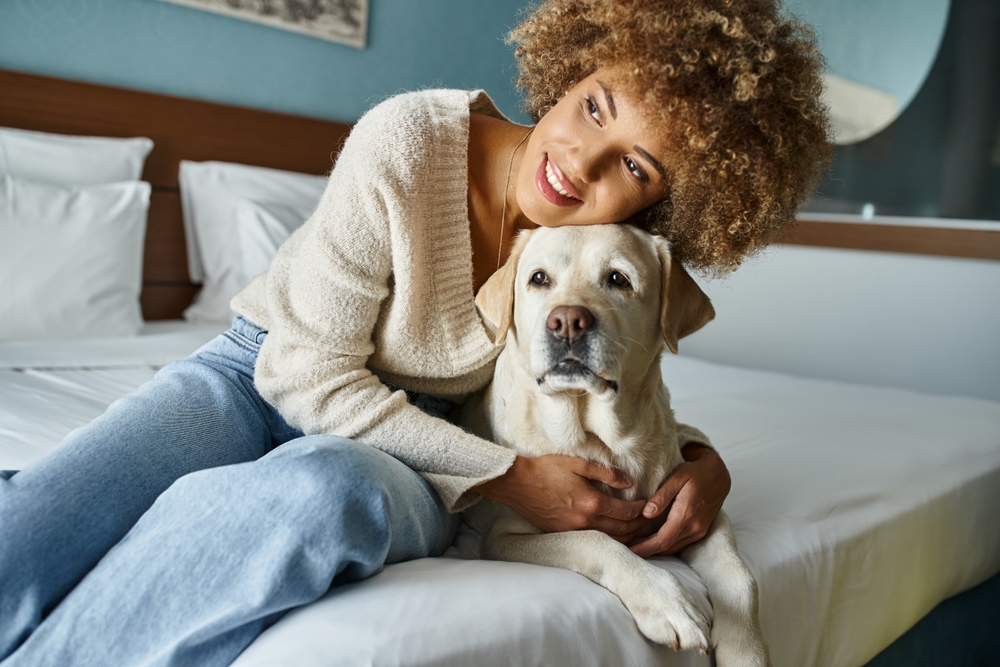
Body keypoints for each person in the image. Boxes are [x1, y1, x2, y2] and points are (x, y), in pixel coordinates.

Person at [0, 0, 831, 664]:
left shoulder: (586, 260)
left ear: (659, 206)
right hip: (259, 376)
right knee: (33, 529)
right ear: (572, 68)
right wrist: (509, 472)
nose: (582, 164)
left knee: (316, 491)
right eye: (593, 108)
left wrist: (698, 458)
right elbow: (300, 375)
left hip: (418, 449)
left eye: (635, 167)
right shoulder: (408, 141)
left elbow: (602, 369)